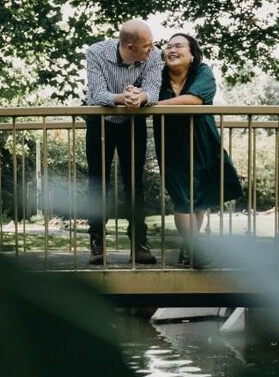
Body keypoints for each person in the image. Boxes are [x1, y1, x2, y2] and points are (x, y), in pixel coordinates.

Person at [151, 33, 243, 267]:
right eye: (168, 45)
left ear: (192, 55)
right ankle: (194, 248)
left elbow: (195, 100)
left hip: (203, 140)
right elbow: (141, 94)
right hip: (171, 143)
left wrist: (154, 105)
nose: (171, 49)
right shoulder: (156, 77)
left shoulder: (203, 72)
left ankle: (189, 248)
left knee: (198, 197)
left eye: (178, 45)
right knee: (183, 198)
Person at [85, 20, 162, 265]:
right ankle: (97, 242)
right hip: (100, 121)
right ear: (130, 47)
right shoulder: (96, 52)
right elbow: (97, 94)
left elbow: (153, 90)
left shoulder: (154, 55)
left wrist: (141, 97)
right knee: (98, 181)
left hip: (133, 122)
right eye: (147, 46)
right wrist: (123, 98)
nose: (153, 49)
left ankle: (139, 243)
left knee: (134, 182)